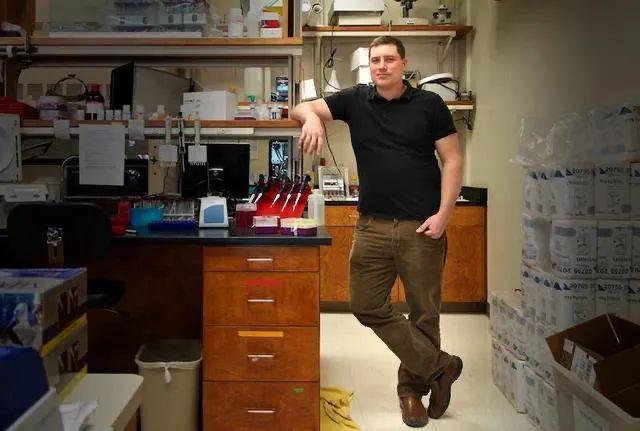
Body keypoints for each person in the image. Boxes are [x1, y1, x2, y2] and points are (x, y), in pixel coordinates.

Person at [291, 35, 464, 428]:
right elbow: (300, 106)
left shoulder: (430, 105)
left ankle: (411, 394)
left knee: (424, 314)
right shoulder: (356, 100)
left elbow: (452, 160)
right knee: (366, 304)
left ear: (404, 64)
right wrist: (313, 118)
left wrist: (444, 214)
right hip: (371, 225)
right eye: (375, 60)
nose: (381, 66)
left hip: (423, 226)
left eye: (389, 59)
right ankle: (441, 367)